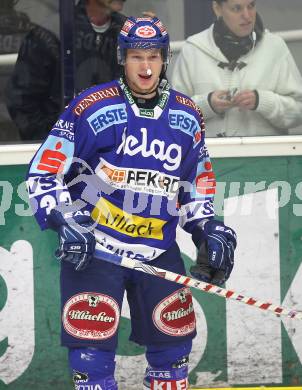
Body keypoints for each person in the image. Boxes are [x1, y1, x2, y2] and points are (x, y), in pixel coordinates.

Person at [26, 16, 237, 389]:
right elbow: (44, 173)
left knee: (173, 353)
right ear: (122, 58)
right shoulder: (89, 108)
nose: (145, 66)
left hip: (157, 253)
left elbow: (195, 183)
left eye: (153, 56)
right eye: (136, 56)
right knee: (92, 364)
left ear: (164, 59)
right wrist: (67, 220)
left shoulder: (187, 116)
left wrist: (207, 227)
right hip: (96, 253)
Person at [171, 0, 302, 137]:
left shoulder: (275, 47)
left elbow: (298, 111)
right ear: (217, 9)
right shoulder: (193, 50)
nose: (247, 15)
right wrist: (207, 104)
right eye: (237, 8)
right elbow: (173, 114)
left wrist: (261, 101)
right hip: (205, 156)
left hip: (265, 156)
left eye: (251, 6)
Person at [5, 0, 127, 141]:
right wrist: (54, 142)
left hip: (113, 150)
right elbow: (21, 102)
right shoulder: (51, 34)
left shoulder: (127, 33)